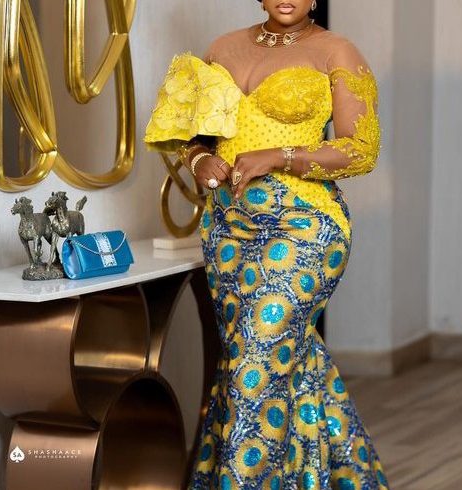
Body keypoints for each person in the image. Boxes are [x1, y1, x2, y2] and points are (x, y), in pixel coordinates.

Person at [144, 0, 388, 488]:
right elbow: (192, 136)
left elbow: (361, 149)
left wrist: (279, 155)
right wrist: (199, 161)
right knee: (267, 361)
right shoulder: (222, 48)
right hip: (228, 230)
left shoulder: (336, 51)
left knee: (255, 364)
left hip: (304, 226)